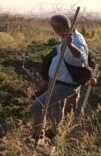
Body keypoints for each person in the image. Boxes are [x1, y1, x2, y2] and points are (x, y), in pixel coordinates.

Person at [31, 14, 90, 144]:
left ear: (59, 28)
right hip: (57, 80)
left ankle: (38, 137)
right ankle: (54, 133)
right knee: (58, 107)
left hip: (66, 85)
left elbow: (80, 58)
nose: (53, 30)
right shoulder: (66, 36)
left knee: (38, 105)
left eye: (54, 27)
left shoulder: (76, 40)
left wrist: (70, 45)